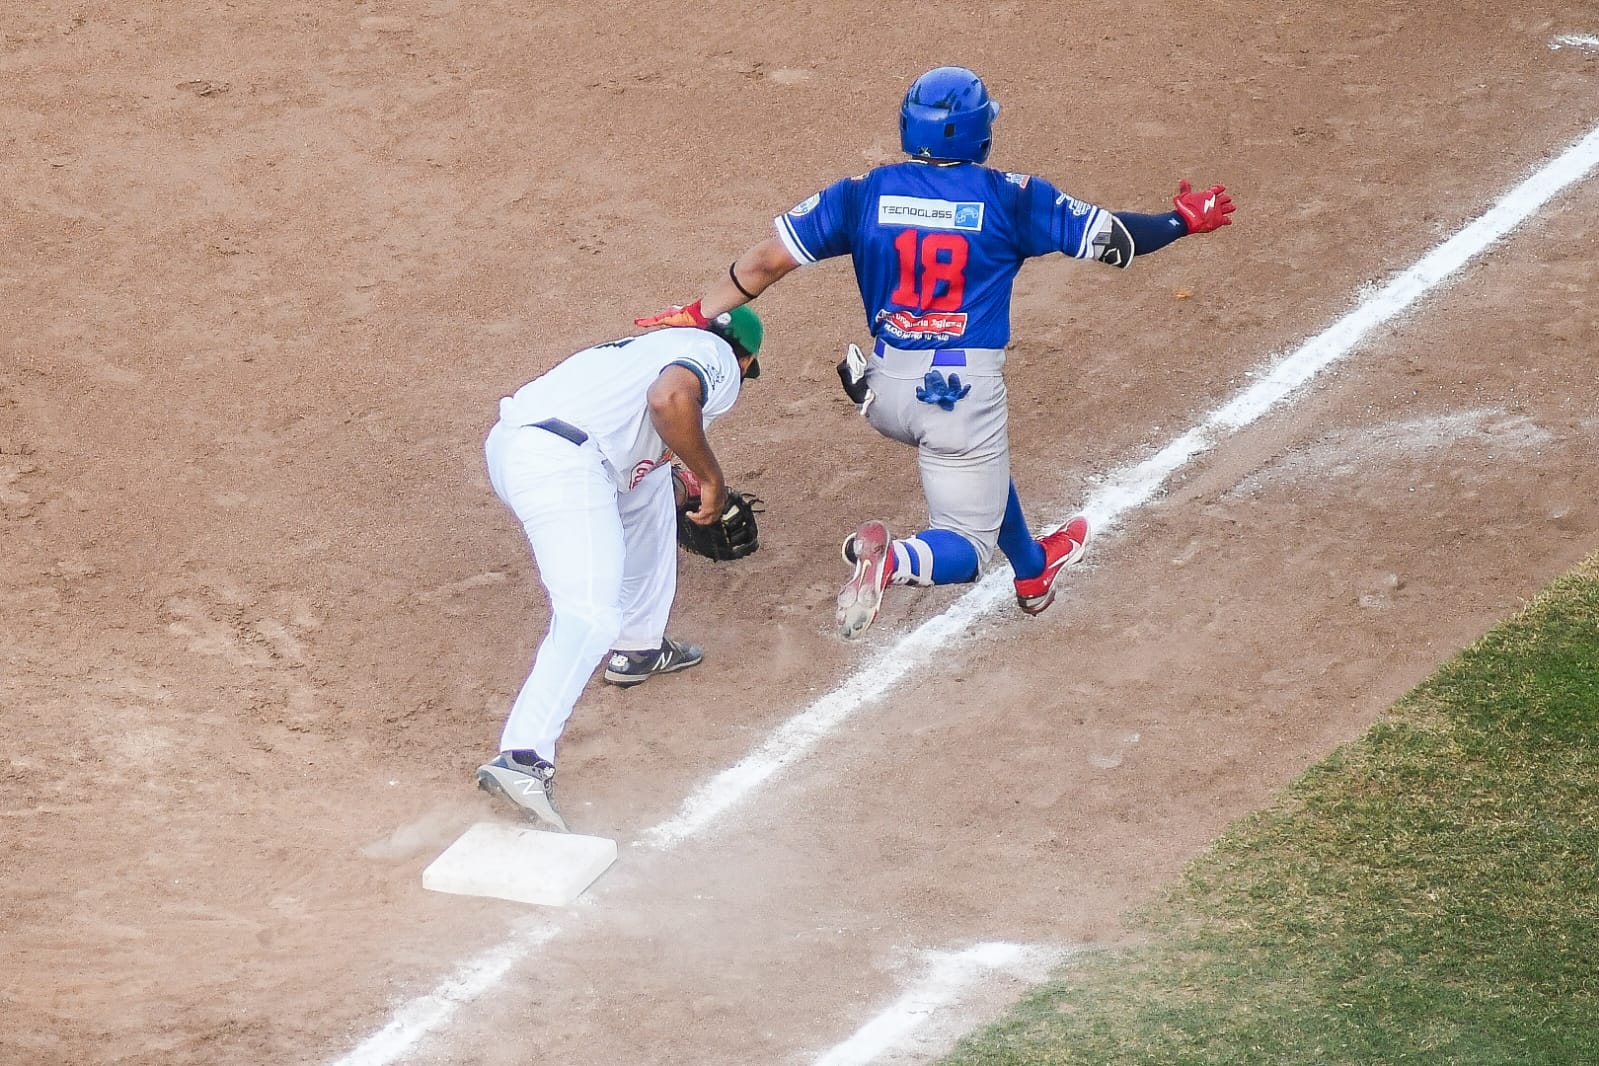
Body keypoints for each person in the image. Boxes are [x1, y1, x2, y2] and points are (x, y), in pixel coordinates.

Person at [636, 65, 1235, 639]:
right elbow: (1116, 239)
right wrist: (1183, 221)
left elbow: (765, 262)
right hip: (957, 399)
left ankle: (1033, 567)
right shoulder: (1012, 198)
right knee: (966, 546)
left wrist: (698, 312)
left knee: (981, 469)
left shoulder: (861, 193)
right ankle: (892, 561)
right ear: (982, 133)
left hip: (884, 389)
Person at [476, 308, 764, 830]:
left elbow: (639, 458)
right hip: (559, 466)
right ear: (742, 356)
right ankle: (522, 758)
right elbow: (669, 401)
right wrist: (712, 478)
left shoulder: (641, 354)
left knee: (652, 487)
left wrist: (687, 491)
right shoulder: (713, 353)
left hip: (531, 448)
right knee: (588, 615)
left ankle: (640, 646)